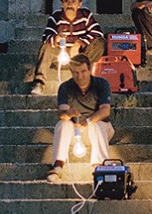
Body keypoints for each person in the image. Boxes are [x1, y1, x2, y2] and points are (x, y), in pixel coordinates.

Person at [46, 54, 114, 183]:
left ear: (90, 70)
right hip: (75, 133)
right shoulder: (65, 87)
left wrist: (87, 121)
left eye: (83, 71)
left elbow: (105, 110)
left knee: (96, 125)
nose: (80, 76)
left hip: (100, 130)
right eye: (76, 73)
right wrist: (69, 114)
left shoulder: (101, 84)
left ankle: (100, 167)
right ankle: (58, 166)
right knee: (62, 124)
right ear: (71, 72)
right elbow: (61, 112)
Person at [30, 0, 105, 95]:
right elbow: (46, 37)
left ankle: (83, 76)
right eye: (66, 1)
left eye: (73, 2)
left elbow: (97, 33)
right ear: (62, 4)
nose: (70, 5)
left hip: (81, 56)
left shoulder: (85, 15)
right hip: (61, 58)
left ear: (79, 4)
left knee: (101, 43)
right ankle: (39, 83)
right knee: (46, 46)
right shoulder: (56, 16)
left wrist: (79, 43)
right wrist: (55, 39)